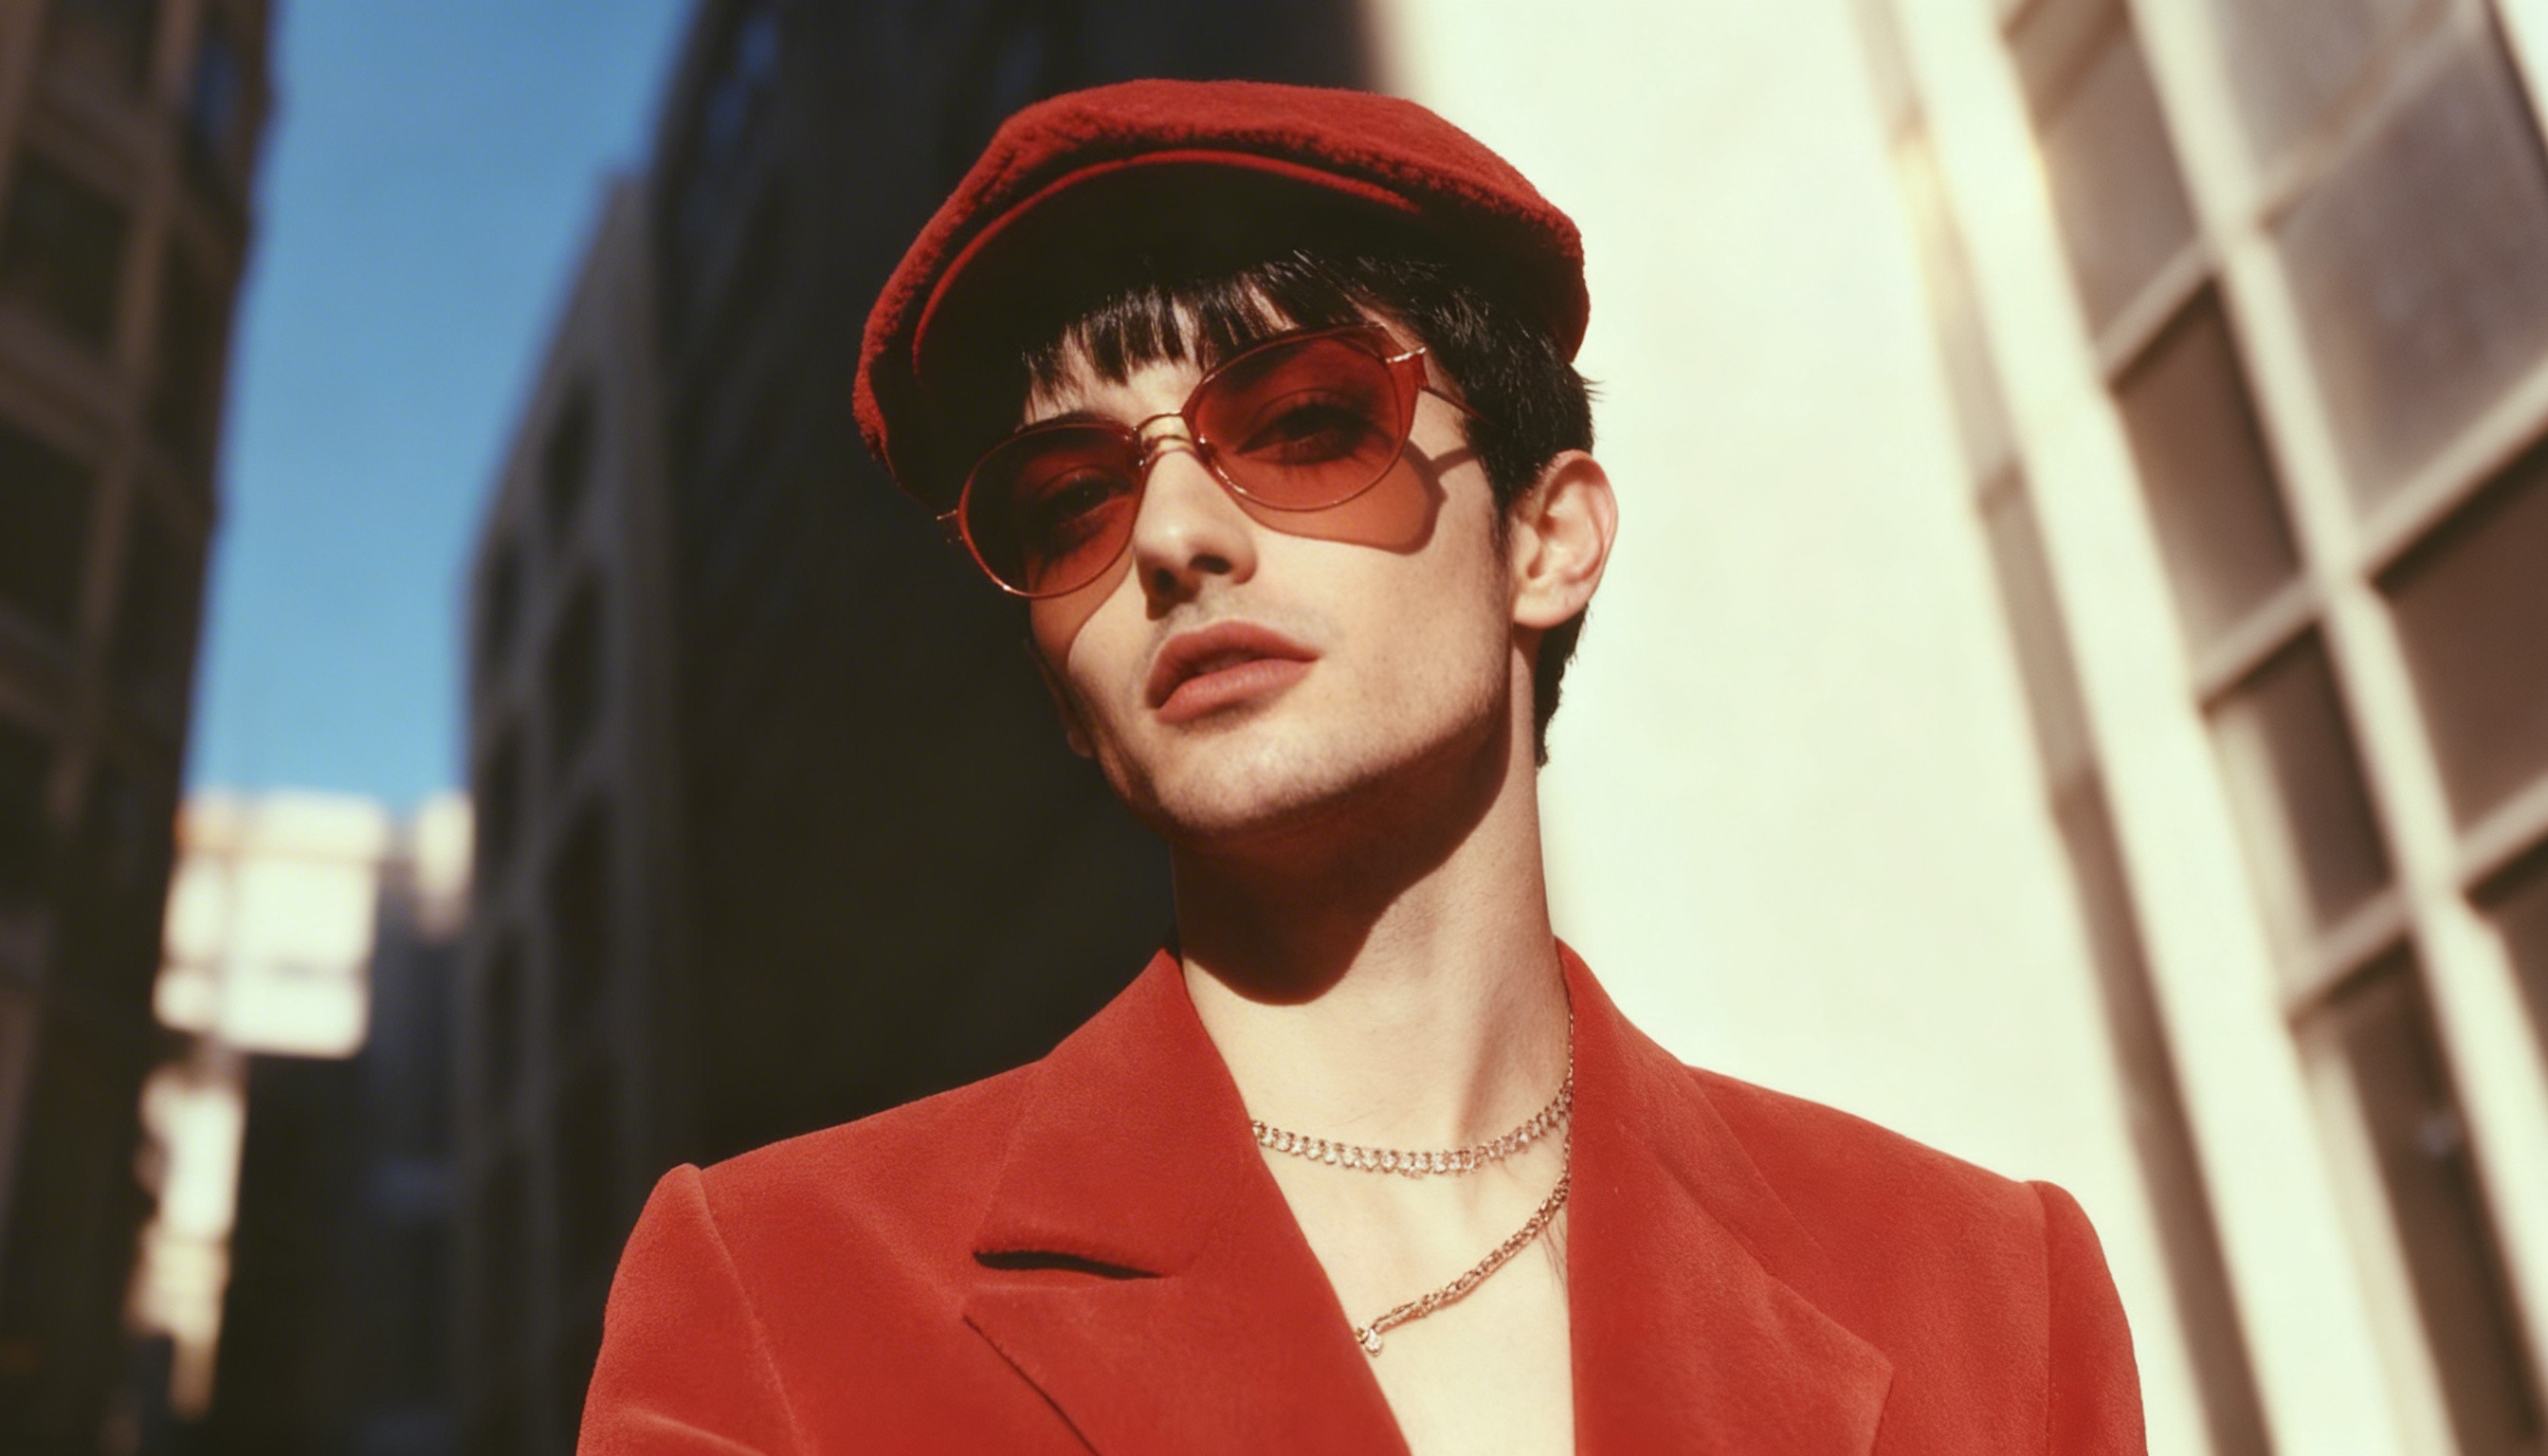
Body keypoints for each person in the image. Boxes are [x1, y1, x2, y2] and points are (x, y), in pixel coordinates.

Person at [577, 79, 2149, 1455]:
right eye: (1070, 505)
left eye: (1308, 421)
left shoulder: (1985, 1285)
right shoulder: (785, 1292)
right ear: (1062, 689)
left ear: (1548, 537)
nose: (1176, 541)